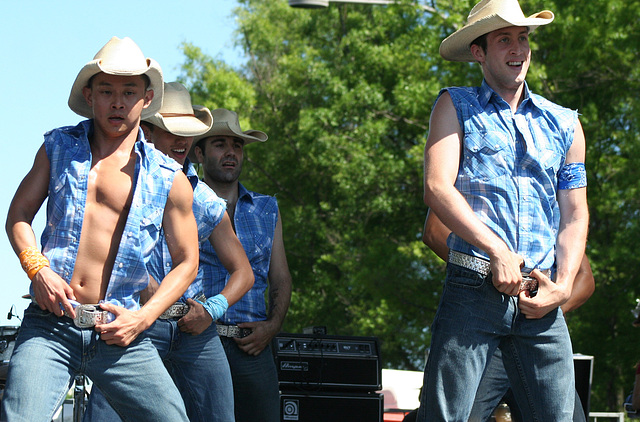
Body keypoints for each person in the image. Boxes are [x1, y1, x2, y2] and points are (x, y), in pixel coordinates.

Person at [2, 37, 199, 421]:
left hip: (122, 329)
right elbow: (18, 215)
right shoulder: (57, 147)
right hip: (51, 325)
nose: (118, 102)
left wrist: (144, 318)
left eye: (129, 91)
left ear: (146, 98)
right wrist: (36, 268)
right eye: (107, 91)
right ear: (90, 96)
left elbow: (188, 262)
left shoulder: (168, 177)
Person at [417, 0, 589, 419]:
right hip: (472, 287)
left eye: (524, 38)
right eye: (504, 39)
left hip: (541, 295)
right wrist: (496, 250)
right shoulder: (454, 105)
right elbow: (437, 188)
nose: (518, 49)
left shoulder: (565, 123)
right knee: (446, 416)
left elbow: (575, 214)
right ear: (479, 51)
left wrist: (563, 285)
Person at [82, 82, 255, 422]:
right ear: (146, 132)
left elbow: (243, 272)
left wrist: (211, 310)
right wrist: (142, 285)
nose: (181, 141)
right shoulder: (117, 182)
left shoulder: (202, 197)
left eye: (187, 133)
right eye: (170, 131)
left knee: (220, 416)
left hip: (194, 330)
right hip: (134, 322)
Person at [422, 210, 595, 421]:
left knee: (569, 417)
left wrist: (547, 303)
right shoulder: (479, 192)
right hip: (484, 332)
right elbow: (432, 231)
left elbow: (585, 277)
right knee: (466, 415)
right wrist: (482, 271)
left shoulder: (549, 201)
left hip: (538, 330)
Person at [191, 108, 293, 422]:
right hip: (200, 339)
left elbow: (281, 277)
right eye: (220, 144)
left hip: (254, 345)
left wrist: (271, 328)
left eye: (237, 145)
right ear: (199, 153)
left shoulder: (267, 207)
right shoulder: (184, 202)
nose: (231, 152)